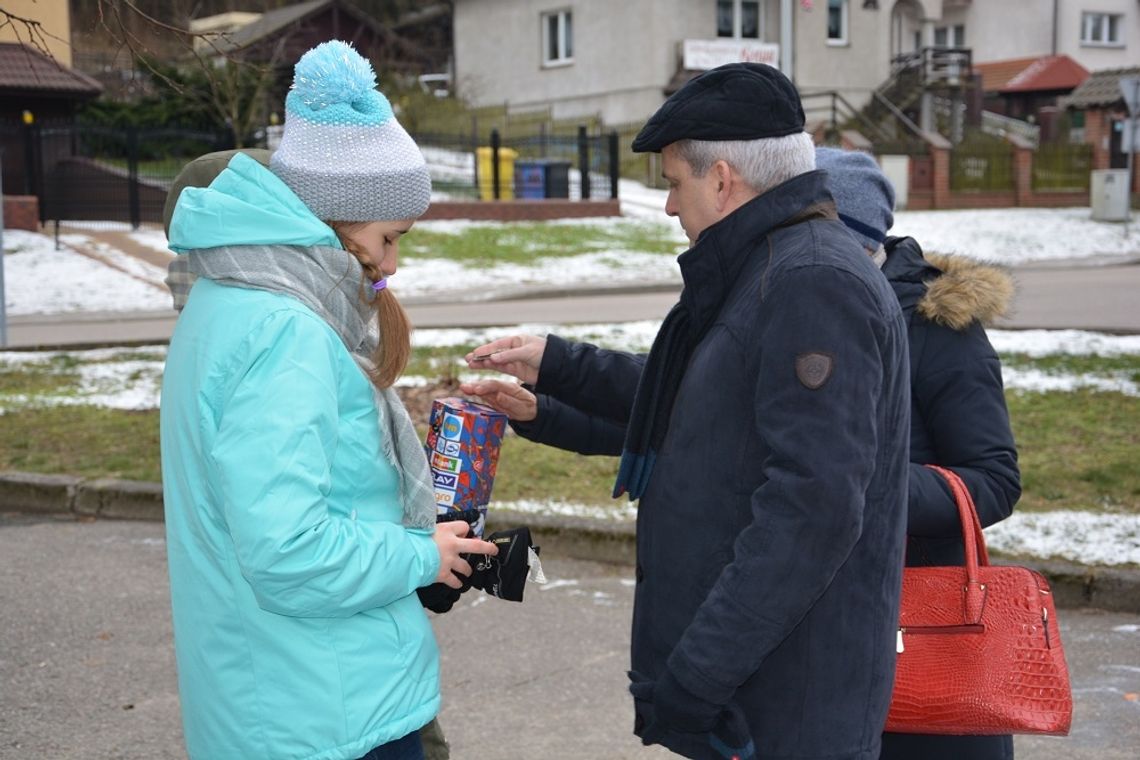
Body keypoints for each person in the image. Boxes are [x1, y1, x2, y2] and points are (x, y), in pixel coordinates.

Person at [462, 62, 912, 760]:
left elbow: (812, 512)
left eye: (674, 184)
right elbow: (698, 405)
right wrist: (553, 370)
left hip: (784, 706)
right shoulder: (768, 268)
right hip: (758, 693)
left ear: (723, 179)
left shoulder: (810, 283)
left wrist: (700, 673)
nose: (670, 206)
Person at [160, 40, 497, 760]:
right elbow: (287, 551)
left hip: (285, 697)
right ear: (342, 218)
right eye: (390, 237)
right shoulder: (286, 331)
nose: (394, 261)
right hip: (324, 715)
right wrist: (419, 556)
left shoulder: (228, 302)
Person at [813, 147, 1021, 760]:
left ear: (851, 238)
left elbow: (993, 479)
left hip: (921, 630)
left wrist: (860, 486)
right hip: (816, 629)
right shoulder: (799, 315)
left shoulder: (936, 326)